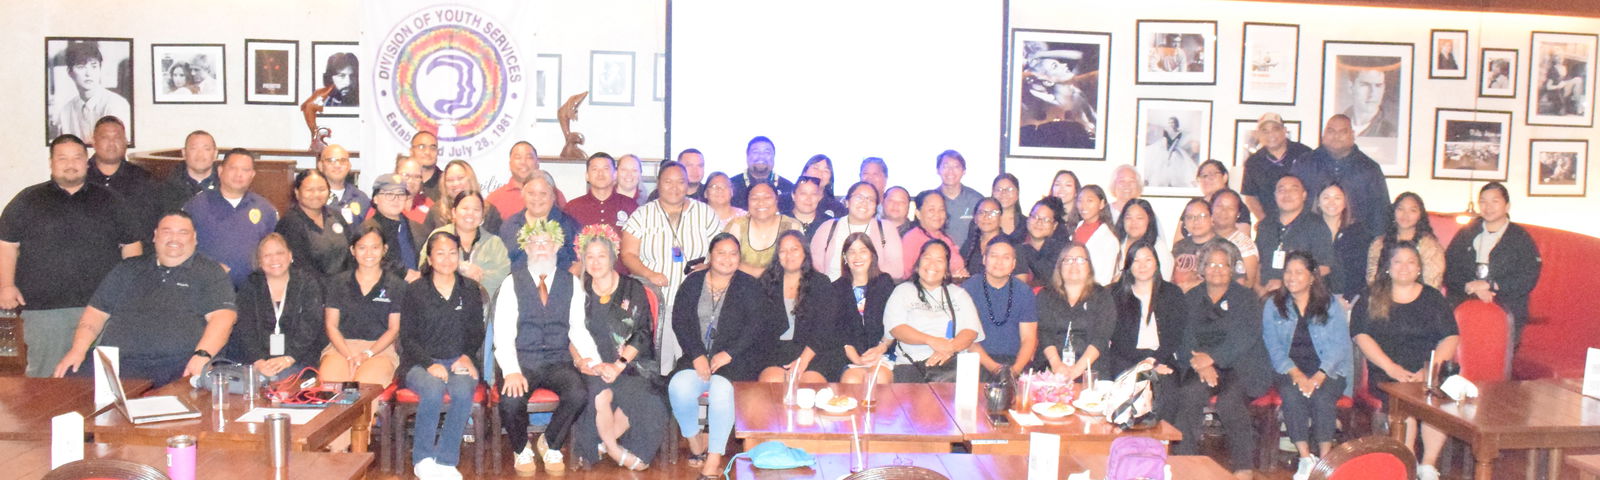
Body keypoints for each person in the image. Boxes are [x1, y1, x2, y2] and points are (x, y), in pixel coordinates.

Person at [0, 135, 142, 377]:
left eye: (77, 158)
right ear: (51, 162)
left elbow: (131, 246)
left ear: (86, 161)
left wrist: (130, 293)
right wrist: (6, 286)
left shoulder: (110, 199)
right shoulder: (28, 199)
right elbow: (6, 244)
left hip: (101, 308)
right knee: (46, 381)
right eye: (62, 158)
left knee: (100, 380)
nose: (70, 164)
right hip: (45, 310)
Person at [52, 212, 236, 388]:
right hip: (119, 362)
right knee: (68, 379)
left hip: (178, 365)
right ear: (155, 236)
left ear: (194, 238)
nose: (174, 238)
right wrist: (78, 349)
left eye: (183, 232)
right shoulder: (127, 269)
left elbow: (223, 318)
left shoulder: (210, 272)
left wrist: (202, 355)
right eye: (167, 231)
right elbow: (96, 312)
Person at [668, 233, 780, 478]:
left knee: (721, 390)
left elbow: (757, 326)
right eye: (721, 253)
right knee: (678, 386)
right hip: (696, 357)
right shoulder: (693, 282)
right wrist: (697, 354)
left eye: (733, 254)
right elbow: (680, 321)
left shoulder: (749, 285)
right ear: (710, 256)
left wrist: (729, 353)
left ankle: (713, 458)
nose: (727, 259)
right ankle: (695, 441)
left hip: (736, 360)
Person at [1352, 242, 1459, 480]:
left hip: (1427, 372)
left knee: (1436, 404)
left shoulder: (1432, 298)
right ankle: (1408, 463)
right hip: (1387, 372)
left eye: (1411, 262)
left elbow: (1450, 337)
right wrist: (1391, 368)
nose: (1404, 267)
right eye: (1398, 261)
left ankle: (1428, 465)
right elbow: (1360, 335)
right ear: (1388, 267)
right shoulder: (1371, 295)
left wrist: (1429, 371)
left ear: (1419, 268)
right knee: (1404, 404)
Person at [493, 219, 590, 476]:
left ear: (556, 247)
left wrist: (590, 359)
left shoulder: (571, 283)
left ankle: (551, 443)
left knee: (579, 393)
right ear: (526, 249)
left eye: (546, 242)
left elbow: (578, 328)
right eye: (534, 243)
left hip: (558, 360)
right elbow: (503, 333)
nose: (541, 248)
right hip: (522, 359)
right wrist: (511, 371)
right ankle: (521, 448)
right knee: (511, 400)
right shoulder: (511, 283)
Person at [566, 226, 666, 471]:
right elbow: (569, 333)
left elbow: (642, 333)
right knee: (598, 393)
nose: (595, 262)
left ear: (612, 257)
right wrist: (580, 361)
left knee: (648, 398)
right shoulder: (578, 291)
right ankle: (613, 448)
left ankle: (601, 445)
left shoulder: (632, 288)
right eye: (590, 256)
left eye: (601, 256)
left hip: (629, 364)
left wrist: (618, 366)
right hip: (592, 365)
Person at [1173, 239, 1270, 477]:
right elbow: (1184, 335)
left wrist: (1212, 358)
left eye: (1223, 265)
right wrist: (1199, 363)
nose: (1217, 270)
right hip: (1201, 366)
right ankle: (1185, 462)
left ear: (1232, 268)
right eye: (1211, 264)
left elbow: (1245, 336)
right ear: (1202, 268)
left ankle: (1243, 467)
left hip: (1240, 365)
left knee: (1230, 401)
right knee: (1188, 393)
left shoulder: (1246, 298)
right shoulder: (1191, 297)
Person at [622, 161, 723, 375]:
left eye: (681, 182)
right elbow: (628, 254)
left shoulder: (705, 213)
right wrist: (649, 274)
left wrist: (708, 266)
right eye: (668, 181)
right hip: (659, 301)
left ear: (688, 185)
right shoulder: (642, 215)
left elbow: (723, 250)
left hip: (697, 303)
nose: (675, 187)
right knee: (662, 364)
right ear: (658, 183)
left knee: (694, 363)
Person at [399, 230, 484, 479]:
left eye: (452, 253)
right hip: (420, 363)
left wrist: (467, 356)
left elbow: (476, 332)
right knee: (433, 388)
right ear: (429, 258)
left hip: (459, 360)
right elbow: (407, 337)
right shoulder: (415, 290)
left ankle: (446, 460)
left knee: (462, 390)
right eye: (440, 253)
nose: (447, 259)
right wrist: (429, 364)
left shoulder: (470, 289)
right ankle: (423, 459)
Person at [1261, 251, 1350, 480]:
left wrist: (1320, 375)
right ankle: (1305, 458)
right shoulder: (1273, 305)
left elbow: (1340, 345)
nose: (1292, 277)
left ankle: (1325, 461)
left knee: (1322, 397)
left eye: (1299, 272)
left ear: (1312, 277)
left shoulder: (1330, 304)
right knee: (1292, 395)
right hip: (1288, 369)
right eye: (1288, 272)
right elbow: (1273, 347)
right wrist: (1297, 374)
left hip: (1328, 369)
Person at [1443, 182, 1542, 344]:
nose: (1488, 207)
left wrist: (1491, 285)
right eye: (1483, 201)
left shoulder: (1520, 237)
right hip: (1463, 302)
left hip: (1505, 304)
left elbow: (1528, 276)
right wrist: (1471, 287)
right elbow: (1449, 269)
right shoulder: (1466, 233)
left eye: (1494, 201)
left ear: (1507, 206)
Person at [1104, 241, 1184, 422]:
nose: (1142, 265)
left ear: (1156, 263)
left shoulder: (1172, 294)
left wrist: (1153, 361)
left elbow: (1175, 335)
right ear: (1128, 265)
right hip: (1125, 361)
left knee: (1167, 394)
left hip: (1161, 359)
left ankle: (1160, 439)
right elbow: (1117, 337)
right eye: (1136, 260)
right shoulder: (1115, 294)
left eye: (1148, 259)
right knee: (1129, 397)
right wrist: (1144, 363)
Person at [227, 234, 325, 381]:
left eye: (280, 253)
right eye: (267, 255)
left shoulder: (307, 283)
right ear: (259, 261)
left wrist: (288, 358)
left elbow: (311, 326)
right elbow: (245, 328)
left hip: (298, 357)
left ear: (290, 256)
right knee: (251, 380)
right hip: (257, 360)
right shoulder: (250, 285)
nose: (274, 259)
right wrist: (259, 361)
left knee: (281, 380)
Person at [884, 240, 983, 382]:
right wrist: (931, 341)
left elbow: (970, 331)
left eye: (939, 260)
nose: (932, 264)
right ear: (918, 263)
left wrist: (949, 348)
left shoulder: (959, 294)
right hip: (911, 365)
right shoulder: (903, 291)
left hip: (950, 365)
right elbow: (896, 328)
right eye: (927, 258)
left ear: (946, 268)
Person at [184, 148, 279, 288]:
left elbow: (274, 250)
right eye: (233, 168)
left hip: (252, 290)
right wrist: (208, 268)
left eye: (245, 170)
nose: (239, 174)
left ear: (252, 174)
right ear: (220, 170)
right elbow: (182, 247)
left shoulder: (265, 209)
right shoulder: (196, 206)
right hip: (207, 287)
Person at [321, 226, 404, 386]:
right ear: (352, 250)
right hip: (341, 347)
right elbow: (331, 326)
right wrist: (348, 355)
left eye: (375, 247)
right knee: (331, 387)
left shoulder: (397, 285)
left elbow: (394, 329)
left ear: (384, 249)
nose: (368, 253)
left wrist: (367, 353)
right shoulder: (337, 282)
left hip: (379, 350)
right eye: (362, 248)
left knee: (364, 389)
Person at [756, 231, 841, 383]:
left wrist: (803, 360)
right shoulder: (766, 283)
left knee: (809, 385)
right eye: (783, 251)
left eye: (794, 249)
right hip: (776, 352)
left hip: (814, 351)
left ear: (805, 252)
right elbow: (760, 329)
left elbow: (824, 329)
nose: (789, 255)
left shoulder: (821, 283)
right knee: (771, 382)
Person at [1293, 114, 1392, 234]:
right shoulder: (1305, 163)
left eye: (1342, 132)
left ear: (1352, 135)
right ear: (1323, 134)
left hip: (1356, 239)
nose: (1336, 136)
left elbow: (1380, 210)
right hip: (1309, 237)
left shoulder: (1369, 168)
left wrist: (1377, 239)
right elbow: (1292, 202)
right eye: (1331, 131)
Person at [962, 238, 1039, 379]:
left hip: (1015, 362)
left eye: (1006, 257)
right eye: (994, 256)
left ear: (1013, 264)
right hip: (976, 360)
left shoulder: (1024, 291)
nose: (999, 262)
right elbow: (966, 338)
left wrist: (1015, 370)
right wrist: (996, 369)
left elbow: (1028, 338)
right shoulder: (969, 289)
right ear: (984, 259)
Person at [1036, 243, 1114, 380]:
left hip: (1091, 370)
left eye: (1080, 260)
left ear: (1089, 267)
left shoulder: (1102, 296)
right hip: (1051, 368)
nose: (1074, 265)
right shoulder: (1045, 295)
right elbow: (1044, 333)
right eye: (1068, 260)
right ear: (1059, 266)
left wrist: (1076, 370)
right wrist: (1057, 366)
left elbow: (1101, 337)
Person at [420, 192, 511, 302]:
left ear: (483, 215)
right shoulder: (439, 236)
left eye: (476, 210)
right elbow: (424, 267)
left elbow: (503, 277)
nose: (470, 214)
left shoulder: (495, 243)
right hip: (441, 304)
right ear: (454, 212)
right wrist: (458, 267)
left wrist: (476, 278)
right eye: (465, 208)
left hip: (483, 307)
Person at [833, 233, 897, 384]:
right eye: (851, 252)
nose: (857, 257)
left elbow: (894, 321)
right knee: (851, 380)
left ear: (872, 255)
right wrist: (856, 358)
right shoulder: (836, 288)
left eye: (863, 251)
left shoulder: (884, 282)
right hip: (850, 356)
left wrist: (880, 348)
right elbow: (837, 330)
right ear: (845, 257)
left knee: (877, 377)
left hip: (883, 352)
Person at [1255, 175, 1335, 295]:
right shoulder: (1265, 225)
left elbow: (1324, 267)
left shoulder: (1316, 225)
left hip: (1301, 296)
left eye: (1293, 189)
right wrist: (1258, 289)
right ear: (1275, 195)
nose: (1287, 194)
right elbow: (1257, 262)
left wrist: (1286, 284)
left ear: (1304, 195)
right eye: (1281, 190)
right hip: (1265, 294)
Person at [812, 182, 904, 282]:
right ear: (847, 202)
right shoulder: (828, 227)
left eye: (870, 199)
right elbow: (814, 267)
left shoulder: (886, 228)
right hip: (831, 287)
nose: (864, 203)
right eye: (859, 197)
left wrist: (863, 271)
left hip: (872, 289)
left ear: (875, 207)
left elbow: (897, 270)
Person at [85, 116, 156, 238]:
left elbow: (148, 226)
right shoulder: (80, 177)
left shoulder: (142, 179)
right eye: (105, 137)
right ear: (94, 142)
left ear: (125, 142)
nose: (111, 143)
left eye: (117, 137)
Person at [275, 169, 355, 278]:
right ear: (297, 192)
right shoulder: (290, 223)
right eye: (309, 190)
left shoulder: (336, 216)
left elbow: (350, 251)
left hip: (343, 284)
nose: (316, 194)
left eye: (321, 189)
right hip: (308, 285)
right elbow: (298, 267)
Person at [49, 42, 132, 140]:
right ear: (70, 73)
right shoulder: (65, 111)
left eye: (94, 66)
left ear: (100, 69)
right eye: (81, 67)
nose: (88, 73)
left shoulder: (116, 104)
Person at [1241, 113, 1314, 222]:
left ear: (1284, 130)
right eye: (1265, 131)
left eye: (1275, 129)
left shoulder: (1304, 153)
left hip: (1305, 223)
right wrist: (1266, 223)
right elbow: (1250, 197)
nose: (1270, 134)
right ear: (1259, 134)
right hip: (1271, 224)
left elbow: (1315, 188)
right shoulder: (1253, 162)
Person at [498, 171, 580, 267]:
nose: (537, 198)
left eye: (543, 194)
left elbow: (580, 261)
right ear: (523, 195)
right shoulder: (509, 226)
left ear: (553, 196)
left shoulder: (569, 226)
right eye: (531, 193)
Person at [1366, 192, 1445, 288]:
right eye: (1400, 209)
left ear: (1420, 215)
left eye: (1412, 210)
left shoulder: (1430, 246)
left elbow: (1432, 284)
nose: (1405, 215)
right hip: (1383, 295)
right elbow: (1372, 280)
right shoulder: (1379, 244)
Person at [724, 182, 802, 277]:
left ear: (776, 200)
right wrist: (760, 274)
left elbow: (799, 263)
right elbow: (723, 260)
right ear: (747, 202)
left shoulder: (791, 226)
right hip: (741, 283)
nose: (761, 203)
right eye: (754, 198)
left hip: (782, 283)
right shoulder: (737, 226)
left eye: (767, 197)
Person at [360, 174, 424, 281]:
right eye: (389, 194)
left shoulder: (415, 227)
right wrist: (403, 273)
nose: (396, 199)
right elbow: (369, 261)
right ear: (375, 199)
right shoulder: (367, 230)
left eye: (401, 194)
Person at [1315, 183, 1369, 306]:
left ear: (1345, 203)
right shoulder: (1310, 230)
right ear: (1318, 202)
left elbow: (1360, 270)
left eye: (1337, 198)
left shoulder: (1357, 232)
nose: (1331, 202)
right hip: (1315, 297)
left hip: (1349, 297)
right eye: (1326, 197)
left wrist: (1347, 298)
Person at [487, 142, 567, 222]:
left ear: (537, 163)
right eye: (518, 157)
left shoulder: (555, 194)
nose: (523, 162)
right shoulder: (495, 199)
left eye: (529, 157)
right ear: (510, 164)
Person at [900, 190, 969, 280]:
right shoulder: (911, 239)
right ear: (918, 214)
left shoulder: (946, 239)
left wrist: (961, 274)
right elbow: (909, 275)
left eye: (941, 209)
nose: (937, 214)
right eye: (931, 210)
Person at [423, 160, 503, 236]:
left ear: (470, 180)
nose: (456, 184)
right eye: (450, 180)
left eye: (460, 178)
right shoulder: (436, 211)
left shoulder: (488, 211)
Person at [567, 152, 639, 232]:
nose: (600, 173)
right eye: (595, 169)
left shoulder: (630, 205)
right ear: (587, 176)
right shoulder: (573, 208)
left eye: (606, 168)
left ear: (615, 174)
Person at [926, 150, 984, 247]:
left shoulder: (977, 200)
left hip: (970, 254)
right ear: (938, 170)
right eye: (945, 166)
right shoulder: (928, 200)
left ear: (964, 171)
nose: (950, 171)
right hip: (937, 254)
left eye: (956, 167)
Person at [156, 130, 220, 215]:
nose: (200, 154)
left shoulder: (227, 186)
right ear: (184, 153)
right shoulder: (165, 189)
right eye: (193, 148)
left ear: (215, 154)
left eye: (206, 149)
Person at [1211, 189, 1261, 289]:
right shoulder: (1200, 236)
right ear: (1211, 208)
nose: (1224, 211)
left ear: (1238, 214)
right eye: (1219, 206)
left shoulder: (1246, 246)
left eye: (1230, 208)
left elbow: (1247, 284)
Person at [730, 136, 795, 211]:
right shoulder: (731, 186)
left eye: (767, 152)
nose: (761, 156)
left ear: (773, 156)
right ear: (747, 156)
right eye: (755, 152)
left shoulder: (788, 189)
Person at [1074, 186, 1122, 285]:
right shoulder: (1076, 228)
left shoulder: (1109, 239)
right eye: (1080, 201)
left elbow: (1104, 280)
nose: (1083, 206)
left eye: (1089, 201)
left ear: (1101, 204)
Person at [1117, 199, 1174, 282]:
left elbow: (1163, 283)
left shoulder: (1159, 248)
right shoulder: (1115, 244)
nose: (1133, 222)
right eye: (1128, 218)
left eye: (1139, 218)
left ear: (1149, 220)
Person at [1017, 197, 1070, 287]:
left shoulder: (1063, 250)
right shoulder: (1017, 243)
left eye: (1046, 220)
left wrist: (1027, 249)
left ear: (1054, 225)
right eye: (1035, 217)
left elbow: (1050, 278)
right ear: (1028, 219)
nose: (1039, 222)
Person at [315, 145, 369, 224]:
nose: (337, 165)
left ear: (349, 166)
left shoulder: (361, 198)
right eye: (331, 160)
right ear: (320, 166)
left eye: (343, 160)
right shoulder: (311, 196)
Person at [1171, 199, 1216, 290]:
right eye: (1190, 217)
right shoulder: (1179, 247)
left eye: (1201, 216)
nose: (1196, 221)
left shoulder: (1225, 248)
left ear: (1212, 219)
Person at [1341, 65, 1397, 137]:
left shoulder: (1391, 134)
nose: (1373, 93)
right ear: (1351, 87)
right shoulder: (1337, 123)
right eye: (1365, 85)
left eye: (1378, 85)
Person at [959, 198, 1006, 278]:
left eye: (993, 213)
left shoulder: (1012, 245)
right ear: (975, 218)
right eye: (981, 212)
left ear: (1001, 218)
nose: (986, 217)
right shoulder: (969, 245)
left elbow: (1019, 281)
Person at [1197, 159, 1250, 225]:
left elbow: (1242, 230)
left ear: (1225, 177)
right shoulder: (1194, 205)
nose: (1207, 179)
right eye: (1203, 175)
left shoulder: (1236, 205)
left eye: (1212, 174)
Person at [787, 176, 835, 241]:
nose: (808, 198)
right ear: (793, 195)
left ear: (819, 197)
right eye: (803, 193)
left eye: (814, 194)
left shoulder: (830, 224)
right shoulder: (781, 220)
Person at [395, 156, 432, 225]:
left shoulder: (429, 206)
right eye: (406, 175)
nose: (411, 181)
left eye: (417, 176)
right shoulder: (384, 204)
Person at [410, 131, 444, 201]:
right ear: (411, 151)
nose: (427, 152)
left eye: (433, 148)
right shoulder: (400, 182)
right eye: (422, 147)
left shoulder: (446, 183)